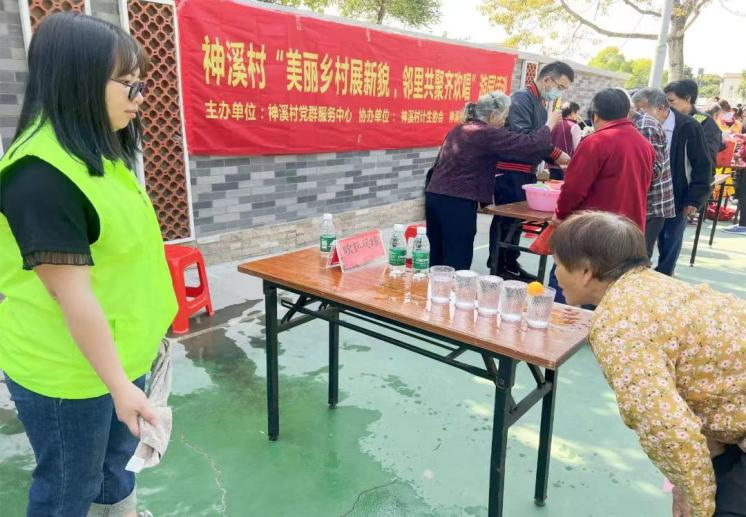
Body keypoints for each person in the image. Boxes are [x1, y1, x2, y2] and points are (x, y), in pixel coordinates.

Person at [0, 13, 177, 517]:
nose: (140, 98)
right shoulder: (40, 175)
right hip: (69, 374)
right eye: (129, 84)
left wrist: (131, 371)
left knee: (115, 466)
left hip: (122, 357)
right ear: (78, 80)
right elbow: (72, 295)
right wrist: (120, 387)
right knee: (67, 488)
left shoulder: (95, 151)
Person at [550, 211, 745, 517]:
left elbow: (667, 427)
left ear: (586, 271)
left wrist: (697, 503)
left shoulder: (618, 324)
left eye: (558, 263)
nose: (555, 273)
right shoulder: (653, 285)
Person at [425, 92, 561, 270]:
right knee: (457, 258)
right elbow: (529, 144)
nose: (505, 122)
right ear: (493, 116)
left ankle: (435, 286)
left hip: (434, 196)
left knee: (437, 256)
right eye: (504, 116)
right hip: (457, 202)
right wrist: (550, 124)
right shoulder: (486, 133)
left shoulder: (460, 128)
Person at [547, 88, 655, 303]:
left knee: (566, 282)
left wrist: (560, 215)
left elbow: (573, 189)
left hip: (593, 232)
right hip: (628, 232)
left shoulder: (596, 142)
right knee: (610, 292)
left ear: (595, 115)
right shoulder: (645, 145)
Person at [487, 61, 573, 281]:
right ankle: (498, 266)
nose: (559, 93)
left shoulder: (538, 102)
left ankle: (509, 264)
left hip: (525, 171)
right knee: (507, 220)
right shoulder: (522, 99)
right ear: (547, 80)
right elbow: (525, 139)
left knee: (516, 224)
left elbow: (538, 142)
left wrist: (556, 156)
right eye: (560, 87)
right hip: (510, 170)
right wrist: (555, 151)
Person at [645, 84, 714, 276]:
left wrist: (694, 199)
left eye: (671, 101)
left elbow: (703, 165)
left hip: (677, 197)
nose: (668, 104)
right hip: (649, 197)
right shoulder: (645, 124)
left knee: (669, 245)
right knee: (643, 247)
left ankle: (665, 278)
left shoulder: (689, 126)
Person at [630, 88, 676, 257]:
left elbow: (651, 170)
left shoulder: (646, 125)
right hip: (652, 203)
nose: (637, 111)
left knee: (638, 255)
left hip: (650, 204)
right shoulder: (647, 122)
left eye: (640, 107)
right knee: (639, 252)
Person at [665, 79, 723, 167]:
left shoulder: (705, 122)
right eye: (666, 101)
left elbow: (707, 156)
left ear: (688, 98)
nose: (667, 105)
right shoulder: (667, 119)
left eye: (671, 100)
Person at [548, 101, 582, 180]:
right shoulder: (574, 126)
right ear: (572, 113)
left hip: (551, 164)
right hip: (566, 165)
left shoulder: (554, 124)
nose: (577, 115)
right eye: (577, 113)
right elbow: (577, 148)